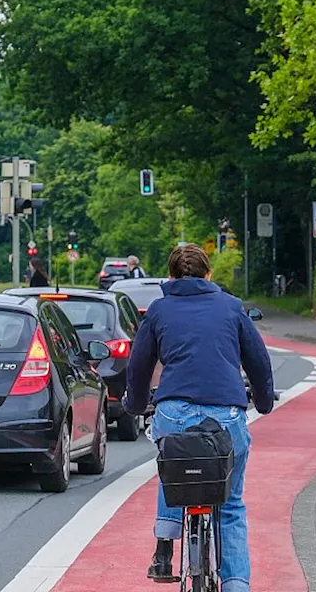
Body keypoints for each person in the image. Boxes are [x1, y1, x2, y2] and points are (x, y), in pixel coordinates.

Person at [123, 244, 275, 590]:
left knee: (174, 459)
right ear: (209, 275)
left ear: (171, 276)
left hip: (174, 412)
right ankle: (236, 584)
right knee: (231, 505)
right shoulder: (232, 307)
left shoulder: (159, 311)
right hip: (226, 417)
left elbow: (139, 365)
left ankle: (164, 548)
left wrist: (135, 404)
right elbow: (259, 362)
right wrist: (264, 403)